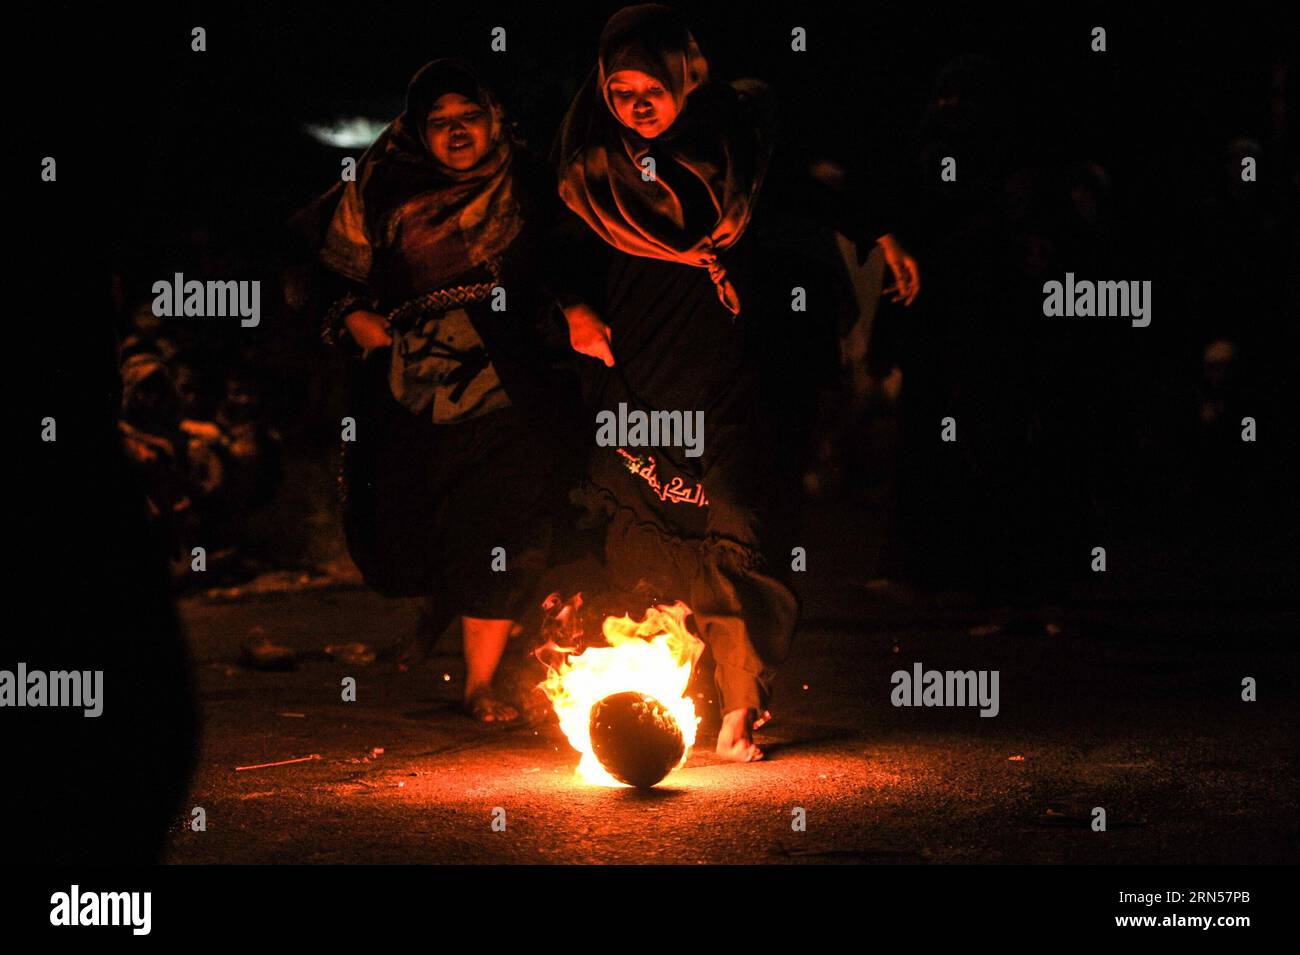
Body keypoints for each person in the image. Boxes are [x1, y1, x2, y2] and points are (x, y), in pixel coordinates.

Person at [552, 4, 920, 761]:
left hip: (733, 366)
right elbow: (544, 252)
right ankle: (669, 683)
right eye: (619, 91)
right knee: (650, 530)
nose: (635, 105)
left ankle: (743, 704)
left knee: (738, 520)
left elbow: (814, 189)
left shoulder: (734, 142)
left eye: (650, 86)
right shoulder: (594, 167)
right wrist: (574, 308)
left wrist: (880, 232)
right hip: (637, 369)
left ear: (685, 78)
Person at [312, 59, 567, 722]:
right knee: (406, 533)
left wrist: (574, 310)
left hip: (508, 381)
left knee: (500, 523)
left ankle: (480, 683)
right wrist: (355, 318)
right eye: (439, 123)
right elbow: (331, 272)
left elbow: (570, 259)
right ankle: (442, 600)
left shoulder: (534, 180)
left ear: (495, 119)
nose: (455, 133)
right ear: (417, 131)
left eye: (469, 118)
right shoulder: (382, 181)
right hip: (410, 387)